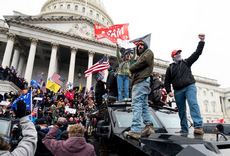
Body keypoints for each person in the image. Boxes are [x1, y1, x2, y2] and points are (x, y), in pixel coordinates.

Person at [164, 34, 205, 135]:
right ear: (173, 57)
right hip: (178, 91)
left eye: (179, 53)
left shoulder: (186, 62)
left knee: (193, 104)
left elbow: (197, 53)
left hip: (189, 86)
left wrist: (201, 42)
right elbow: (166, 81)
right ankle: (184, 129)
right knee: (181, 110)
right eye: (177, 54)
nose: (179, 55)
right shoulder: (170, 68)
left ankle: (198, 126)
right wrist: (169, 91)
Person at [125, 40, 155, 139]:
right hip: (141, 82)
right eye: (138, 46)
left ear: (145, 46)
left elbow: (143, 62)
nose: (140, 46)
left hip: (141, 82)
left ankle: (136, 130)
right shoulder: (139, 57)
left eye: (142, 45)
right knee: (143, 105)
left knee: (136, 104)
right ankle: (149, 126)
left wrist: (131, 68)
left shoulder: (148, 52)